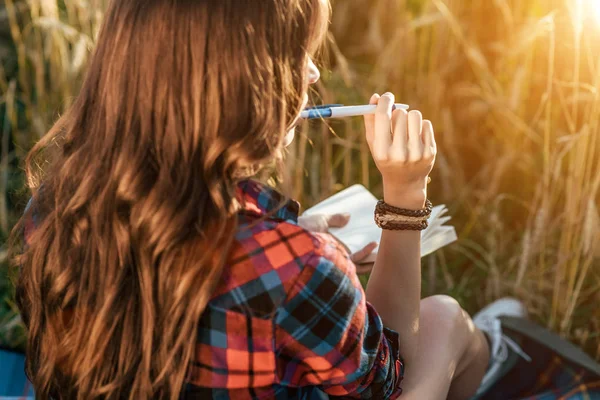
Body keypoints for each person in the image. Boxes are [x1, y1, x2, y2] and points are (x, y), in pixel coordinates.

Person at [9, 0, 529, 398]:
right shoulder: (298, 267)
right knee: (444, 319)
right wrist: (404, 194)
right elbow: (385, 377)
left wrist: (305, 245)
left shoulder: (56, 206)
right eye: (299, 55)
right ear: (244, 81)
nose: (313, 74)